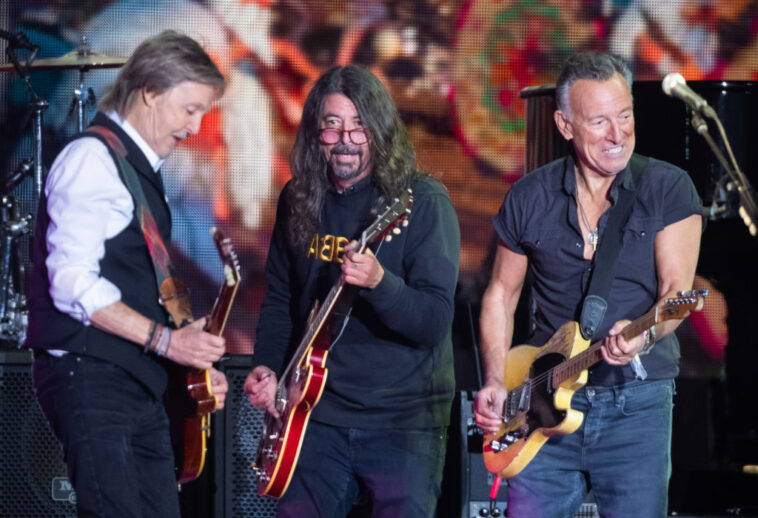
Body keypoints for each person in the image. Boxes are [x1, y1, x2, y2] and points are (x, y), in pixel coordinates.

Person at [473, 51, 703, 517]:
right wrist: (495, 380)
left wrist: (644, 335)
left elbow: (676, 294)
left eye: (625, 116)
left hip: (635, 406)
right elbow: (500, 295)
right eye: (599, 122)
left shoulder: (667, 187)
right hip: (539, 402)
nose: (618, 135)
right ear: (564, 125)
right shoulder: (529, 196)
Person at [25, 31, 229, 518]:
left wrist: (189, 353)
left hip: (136, 383)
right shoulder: (91, 160)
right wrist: (166, 342)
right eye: (190, 108)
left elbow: (145, 278)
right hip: (92, 377)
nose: (197, 126)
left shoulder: (134, 169)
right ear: (151, 92)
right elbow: (72, 283)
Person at [244, 64, 460, 518]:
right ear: (315, 133)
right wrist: (266, 366)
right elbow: (282, 297)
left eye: (360, 126)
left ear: (379, 132)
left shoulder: (421, 202)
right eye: (333, 125)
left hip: (403, 420)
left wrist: (380, 284)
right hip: (315, 414)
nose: (346, 138)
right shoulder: (298, 198)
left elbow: (434, 322)